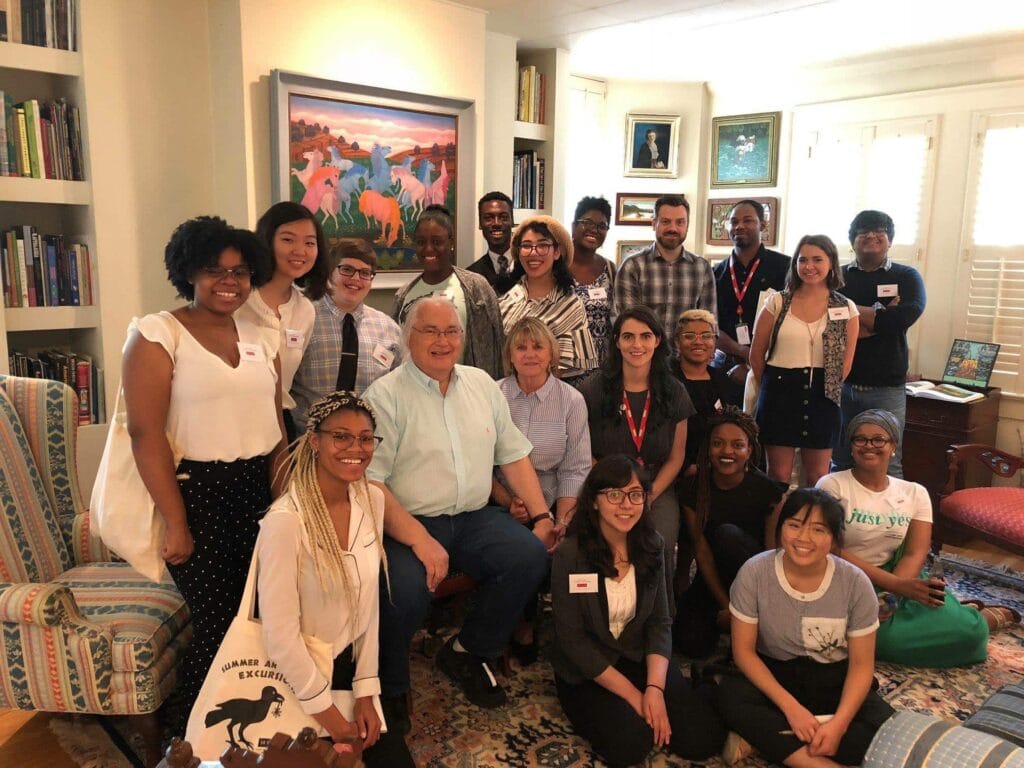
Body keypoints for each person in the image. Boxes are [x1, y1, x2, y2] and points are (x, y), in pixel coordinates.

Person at [120, 216, 287, 730]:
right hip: (198, 496)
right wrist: (176, 523)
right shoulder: (157, 334)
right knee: (217, 623)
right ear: (188, 272)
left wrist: (287, 502)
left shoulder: (264, 336)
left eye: (239, 272)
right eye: (215, 270)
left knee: (263, 615)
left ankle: (254, 734)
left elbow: (277, 426)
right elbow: (145, 435)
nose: (229, 282)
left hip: (259, 490)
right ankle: (185, 737)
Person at [363, 296, 551, 726]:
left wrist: (542, 518)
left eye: (451, 331)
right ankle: (389, 686)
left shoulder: (482, 385)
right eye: (430, 331)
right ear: (409, 337)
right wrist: (419, 539)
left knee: (529, 556)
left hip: (472, 518)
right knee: (402, 592)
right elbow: (370, 482)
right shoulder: (384, 396)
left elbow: (514, 456)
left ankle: (469, 651)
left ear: (462, 338)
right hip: (408, 523)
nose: (442, 340)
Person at [256, 392, 413, 766]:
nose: (354, 448)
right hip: (295, 675)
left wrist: (366, 691)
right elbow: (279, 639)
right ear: (315, 440)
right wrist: (332, 720)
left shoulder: (370, 500)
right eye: (340, 436)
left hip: (347, 667)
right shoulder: (285, 521)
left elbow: (368, 608)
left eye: (364, 438)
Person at [550, 455, 726, 767]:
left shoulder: (653, 545)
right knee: (631, 745)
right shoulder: (570, 555)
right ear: (593, 501)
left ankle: (705, 684)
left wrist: (655, 689)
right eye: (614, 495)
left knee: (703, 740)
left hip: (638, 655)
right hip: (590, 668)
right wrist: (635, 695)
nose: (626, 505)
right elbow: (572, 640)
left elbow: (661, 621)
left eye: (635, 495)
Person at [817, 409, 1018, 668]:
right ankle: (966, 613)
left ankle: (982, 620)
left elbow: (915, 552)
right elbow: (830, 548)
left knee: (970, 636)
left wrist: (892, 595)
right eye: (860, 439)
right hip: (844, 578)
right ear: (851, 446)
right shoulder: (832, 486)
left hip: (899, 574)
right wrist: (897, 587)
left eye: (879, 439)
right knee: (872, 641)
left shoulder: (914, 492)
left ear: (893, 446)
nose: (869, 446)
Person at [715, 488, 894, 768]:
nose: (803, 538)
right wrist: (792, 709)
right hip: (776, 673)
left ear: (835, 539)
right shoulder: (754, 573)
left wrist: (839, 726)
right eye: (794, 525)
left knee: (886, 734)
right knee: (729, 698)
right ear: (781, 526)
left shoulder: (855, 583)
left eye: (818, 530)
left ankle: (769, 740)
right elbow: (744, 653)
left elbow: (861, 666)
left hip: (833, 679)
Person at [579, 306, 692, 604]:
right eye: (628, 337)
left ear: (657, 341)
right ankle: (608, 614)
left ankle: (660, 619)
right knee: (606, 544)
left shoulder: (674, 391)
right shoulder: (593, 390)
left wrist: (648, 494)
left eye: (645, 336)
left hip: (657, 486)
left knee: (661, 541)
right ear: (616, 342)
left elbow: (676, 457)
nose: (637, 345)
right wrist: (617, 492)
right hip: (607, 486)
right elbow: (584, 451)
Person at [494, 317, 592, 659]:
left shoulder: (572, 400)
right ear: (510, 354)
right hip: (501, 499)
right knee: (519, 547)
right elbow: (479, 462)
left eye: (537, 346)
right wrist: (508, 501)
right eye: (521, 347)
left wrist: (561, 519)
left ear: (552, 353)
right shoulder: (494, 394)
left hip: (557, 500)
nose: (530, 354)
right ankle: (519, 621)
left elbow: (576, 467)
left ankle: (570, 630)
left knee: (570, 547)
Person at [675, 407, 787, 658]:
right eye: (718, 444)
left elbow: (771, 556)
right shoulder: (694, 488)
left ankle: (748, 623)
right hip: (713, 579)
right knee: (690, 644)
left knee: (727, 535)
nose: (727, 452)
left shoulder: (768, 492)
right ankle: (727, 623)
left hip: (755, 581)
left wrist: (747, 608)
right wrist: (727, 606)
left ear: (750, 451)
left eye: (737, 445)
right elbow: (701, 552)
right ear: (707, 448)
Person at [749, 235, 859, 487]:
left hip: (823, 396)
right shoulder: (777, 302)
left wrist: (825, 385)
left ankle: (810, 525)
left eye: (817, 259)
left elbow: (846, 364)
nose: (809, 266)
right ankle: (774, 526)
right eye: (803, 260)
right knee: (777, 476)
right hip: (779, 393)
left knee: (818, 477)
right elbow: (756, 355)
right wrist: (772, 386)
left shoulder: (846, 308)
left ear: (831, 263)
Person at [831, 211, 926, 478]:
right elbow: (826, 323)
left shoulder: (907, 276)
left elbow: (906, 316)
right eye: (863, 231)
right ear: (852, 240)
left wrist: (847, 312)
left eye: (879, 230)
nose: (871, 235)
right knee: (839, 461)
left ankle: (889, 521)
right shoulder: (836, 277)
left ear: (890, 240)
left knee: (889, 464)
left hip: (886, 388)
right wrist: (880, 317)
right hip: (840, 384)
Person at [236, 202, 329, 441]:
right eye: (288, 240)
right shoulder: (238, 299)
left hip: (278, 423)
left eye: (309, 242)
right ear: (267, 241)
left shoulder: (305, 310)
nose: (300, 251)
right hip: (231, 418)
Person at [290, 238, 401, 432]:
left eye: (365, 273)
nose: (356, 279)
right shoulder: (301, 318)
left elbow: (398, 390)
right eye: (347, 269)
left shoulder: (389, 329)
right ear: (329, 271)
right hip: (306, 442)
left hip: (367, 444)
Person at [392, 204, 504, 378]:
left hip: (464, 391)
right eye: (421, 242)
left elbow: (496, 345)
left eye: (437, 242)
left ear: (451, 242)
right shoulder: (404, 294)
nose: (428, 249)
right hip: (413, 391)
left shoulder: (476, 288)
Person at [499, 215, 599, 382]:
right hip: (506, 395)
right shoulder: (505, 299)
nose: (534, 252)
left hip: (549, 398)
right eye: (526, 246)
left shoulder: (570, 305)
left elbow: (565, 368)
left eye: (543, 245)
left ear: (557, 252)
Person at [711, 199, 790, 407]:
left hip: (772, 369)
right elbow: (711, 324)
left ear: (763, 225)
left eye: (748, 220)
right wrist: (741, 353)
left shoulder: (785, 268)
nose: (739, 226)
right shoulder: (715, 273)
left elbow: (789, 323)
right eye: (734, 221)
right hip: (725, 369)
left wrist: (753, 361)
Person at [613, 194, 716, 335]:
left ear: (687, 226)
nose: (673, 228)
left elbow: (708, 328)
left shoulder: (702, 268)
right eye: (666, 222)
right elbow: (629, 327)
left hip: (687, 356)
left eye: (680, 222)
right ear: (654, 224)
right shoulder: (633, 266)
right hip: (645, 355)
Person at [671, 309, 731, 470]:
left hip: (716, 466)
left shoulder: (721, 379)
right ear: (677, 342)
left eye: (706, 336)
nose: (699, 342)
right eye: (690, 336)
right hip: (677, 468)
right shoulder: (667, 379)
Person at [569, 195, 616, 367]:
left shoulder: (611, 270)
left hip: (602, 369)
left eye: (601, 226)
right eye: (587, 222)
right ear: (574, 227)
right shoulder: (555, 265)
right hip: (563, 368)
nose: (594, 229)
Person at [467, 191, 518, 296]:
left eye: (503, 217)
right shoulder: (471, 276)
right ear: (480, 224)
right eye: (488, 218)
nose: (496, 223)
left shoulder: (529, 266)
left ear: (512, 221)